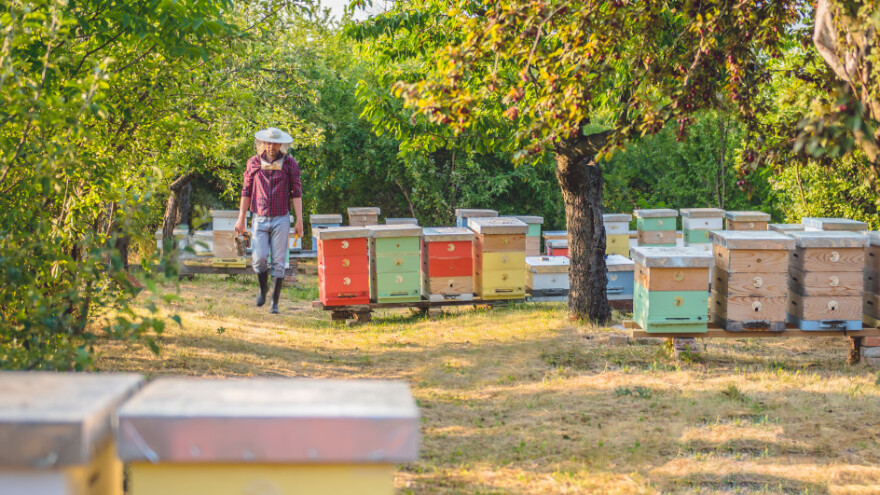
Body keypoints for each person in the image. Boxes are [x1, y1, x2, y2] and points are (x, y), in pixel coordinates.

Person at [234, 127, 303, 314]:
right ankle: (263, 289)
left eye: (275, 143)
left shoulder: (290, 164)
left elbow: (296, 192)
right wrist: (241, 218)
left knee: (279, 261)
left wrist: (299, 219)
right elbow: (246, 191)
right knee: (259, 259)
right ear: (263, 143)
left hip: (281, 218)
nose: (272, 147)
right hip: (259, 218)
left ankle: (274, 303)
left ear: (281, 145)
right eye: (268, 143)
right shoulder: (254, 163)